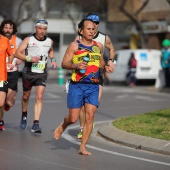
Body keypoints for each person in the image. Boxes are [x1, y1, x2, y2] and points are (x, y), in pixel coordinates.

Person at [54, 19, 111, 155]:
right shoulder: (74, 46)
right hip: (77, 86)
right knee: (73, 118)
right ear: (81, 30)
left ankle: (82, 147)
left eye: (93, 29)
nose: (92, 31)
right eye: (88, 29)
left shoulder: (99, 46)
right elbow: (64, 63)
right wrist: (76, 66)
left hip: (93, 86)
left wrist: (107, 66)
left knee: (90, 116)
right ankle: (64, 125)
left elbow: (101, 63)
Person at [14, 19, 57, 133]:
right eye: (40, 28)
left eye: (44, 29)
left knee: (39, 97)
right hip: (28, 71)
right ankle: (24, 114)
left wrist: (53, 60)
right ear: (36, 28)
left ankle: (36, 123)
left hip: (41, 73)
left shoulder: (49, 41)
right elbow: (17, 53)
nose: (42, 31)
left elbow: (50, 51)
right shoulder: (28, 39)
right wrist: (29, 58)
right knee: (26, 97)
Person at [76, 13, 115, 139]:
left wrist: (110, 61)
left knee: (93, 105)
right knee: (82, 106)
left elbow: (112, 49)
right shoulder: (79, 38)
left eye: (97, 23)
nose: (94, 25)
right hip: (82, 76)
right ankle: (83, 128)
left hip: (97, 76)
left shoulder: (104, 38)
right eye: (92, 22)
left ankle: (89, 120)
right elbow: (72, 53)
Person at [0, 19, 22, 130]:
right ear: (2, 28)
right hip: (2, 74)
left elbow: (22, 53)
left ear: (13, 29)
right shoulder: (1, 40)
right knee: (1, 102)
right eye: (6, 27)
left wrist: (19, 60)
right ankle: (1, 120)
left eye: (10, 28)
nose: (8, 30)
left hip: (12, 73)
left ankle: (7, 104)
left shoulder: (17, 41)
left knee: (9, 102)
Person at [0, 34, 13, 130]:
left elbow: (11, 54)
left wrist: (9, 62)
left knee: (1, 103)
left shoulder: (5, 40)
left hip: (2, 76)